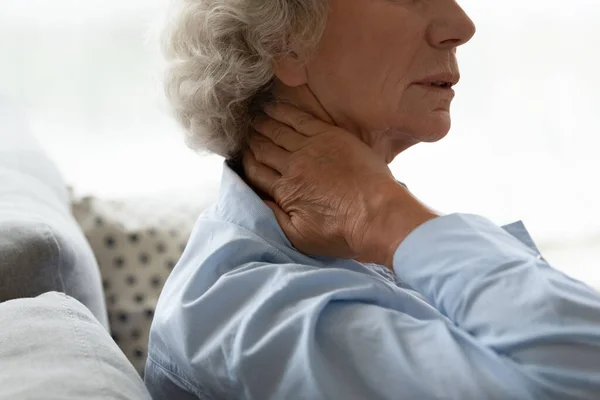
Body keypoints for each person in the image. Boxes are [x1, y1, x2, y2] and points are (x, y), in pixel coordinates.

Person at [145, 0, 600, 399]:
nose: (461, 25)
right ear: (283, 42)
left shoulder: (348, 248)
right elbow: (584, 368)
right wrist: (383, 213)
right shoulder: (249, 318)